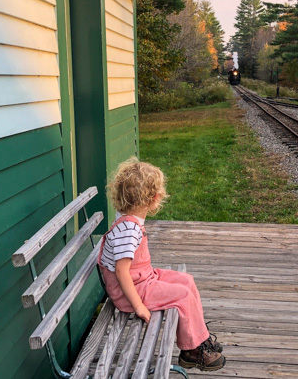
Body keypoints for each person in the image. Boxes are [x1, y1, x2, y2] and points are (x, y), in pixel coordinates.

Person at [97, 157, 226, 371]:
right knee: (182, 296)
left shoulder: (129, 220)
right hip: (132, 292)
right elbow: (121, 272)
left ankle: (199, 338)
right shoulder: (128, 230)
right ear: (154, 198)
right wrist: (138, 306)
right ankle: (192, 351)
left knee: (186, 281)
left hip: (143, 278)